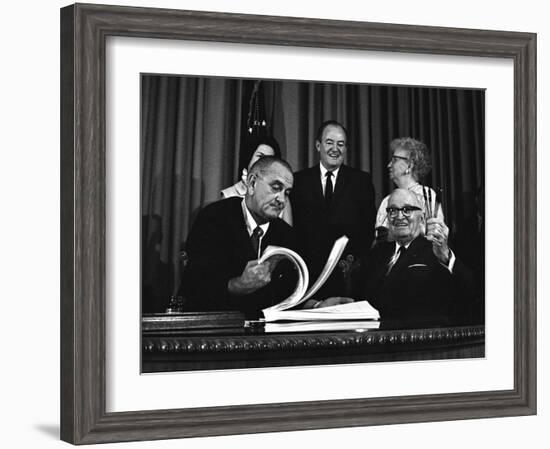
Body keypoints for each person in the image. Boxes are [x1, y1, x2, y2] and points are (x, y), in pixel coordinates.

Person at [182, 156, 336, 319]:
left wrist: (317, 306)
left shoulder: (286, 236)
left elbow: (286, 295)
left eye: (287, 192)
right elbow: (195, 285)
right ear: (252, 183)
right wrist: (237, 285)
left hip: (265, 334)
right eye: (276, 187)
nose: (282, 199)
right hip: (214, 328)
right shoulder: (214, 217)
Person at [359, 188, 474, 324]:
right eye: (393, 210)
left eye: (407, 209)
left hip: (420, 338)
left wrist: (445, 256)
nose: (399, 216)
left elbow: (469, 291)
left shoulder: (436, 249)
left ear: (422, 217)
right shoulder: (378, 253)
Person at [291, 120, 376, 300]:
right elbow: (294, 229)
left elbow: (368, 230)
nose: (335, 149)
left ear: (346, 149)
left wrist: (352, 265)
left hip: (348, 279)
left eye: (341, 144)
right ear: (318, 145)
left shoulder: (361, 181)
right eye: (329, 142)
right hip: (307, 279)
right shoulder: (298, 181)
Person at [375, 137, 443, 242]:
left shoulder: (427, 195)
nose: (389, 165)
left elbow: (435, 237)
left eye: (395, 160)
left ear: (410, 165)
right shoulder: (386, 201)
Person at [221, 135, 292, 225]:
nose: (264, 163)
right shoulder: (229, 194)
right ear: (249, 157)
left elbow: (288, 235)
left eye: (269, 159)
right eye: (260, 156)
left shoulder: (281, 198)